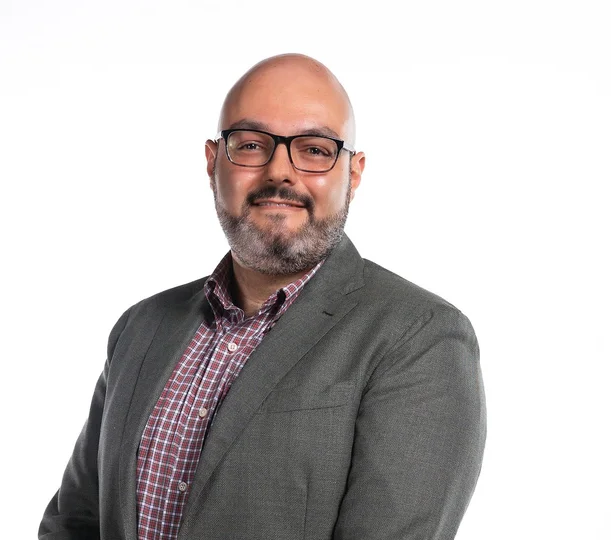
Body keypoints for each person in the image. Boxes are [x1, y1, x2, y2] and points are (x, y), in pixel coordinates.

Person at [39, 53, 486, 540]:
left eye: (314, 149)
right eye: (251, 145)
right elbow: (73, 522)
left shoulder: (418, 338)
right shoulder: (141, 326)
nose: (280, 173)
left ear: (353, 174)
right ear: (213, 162)